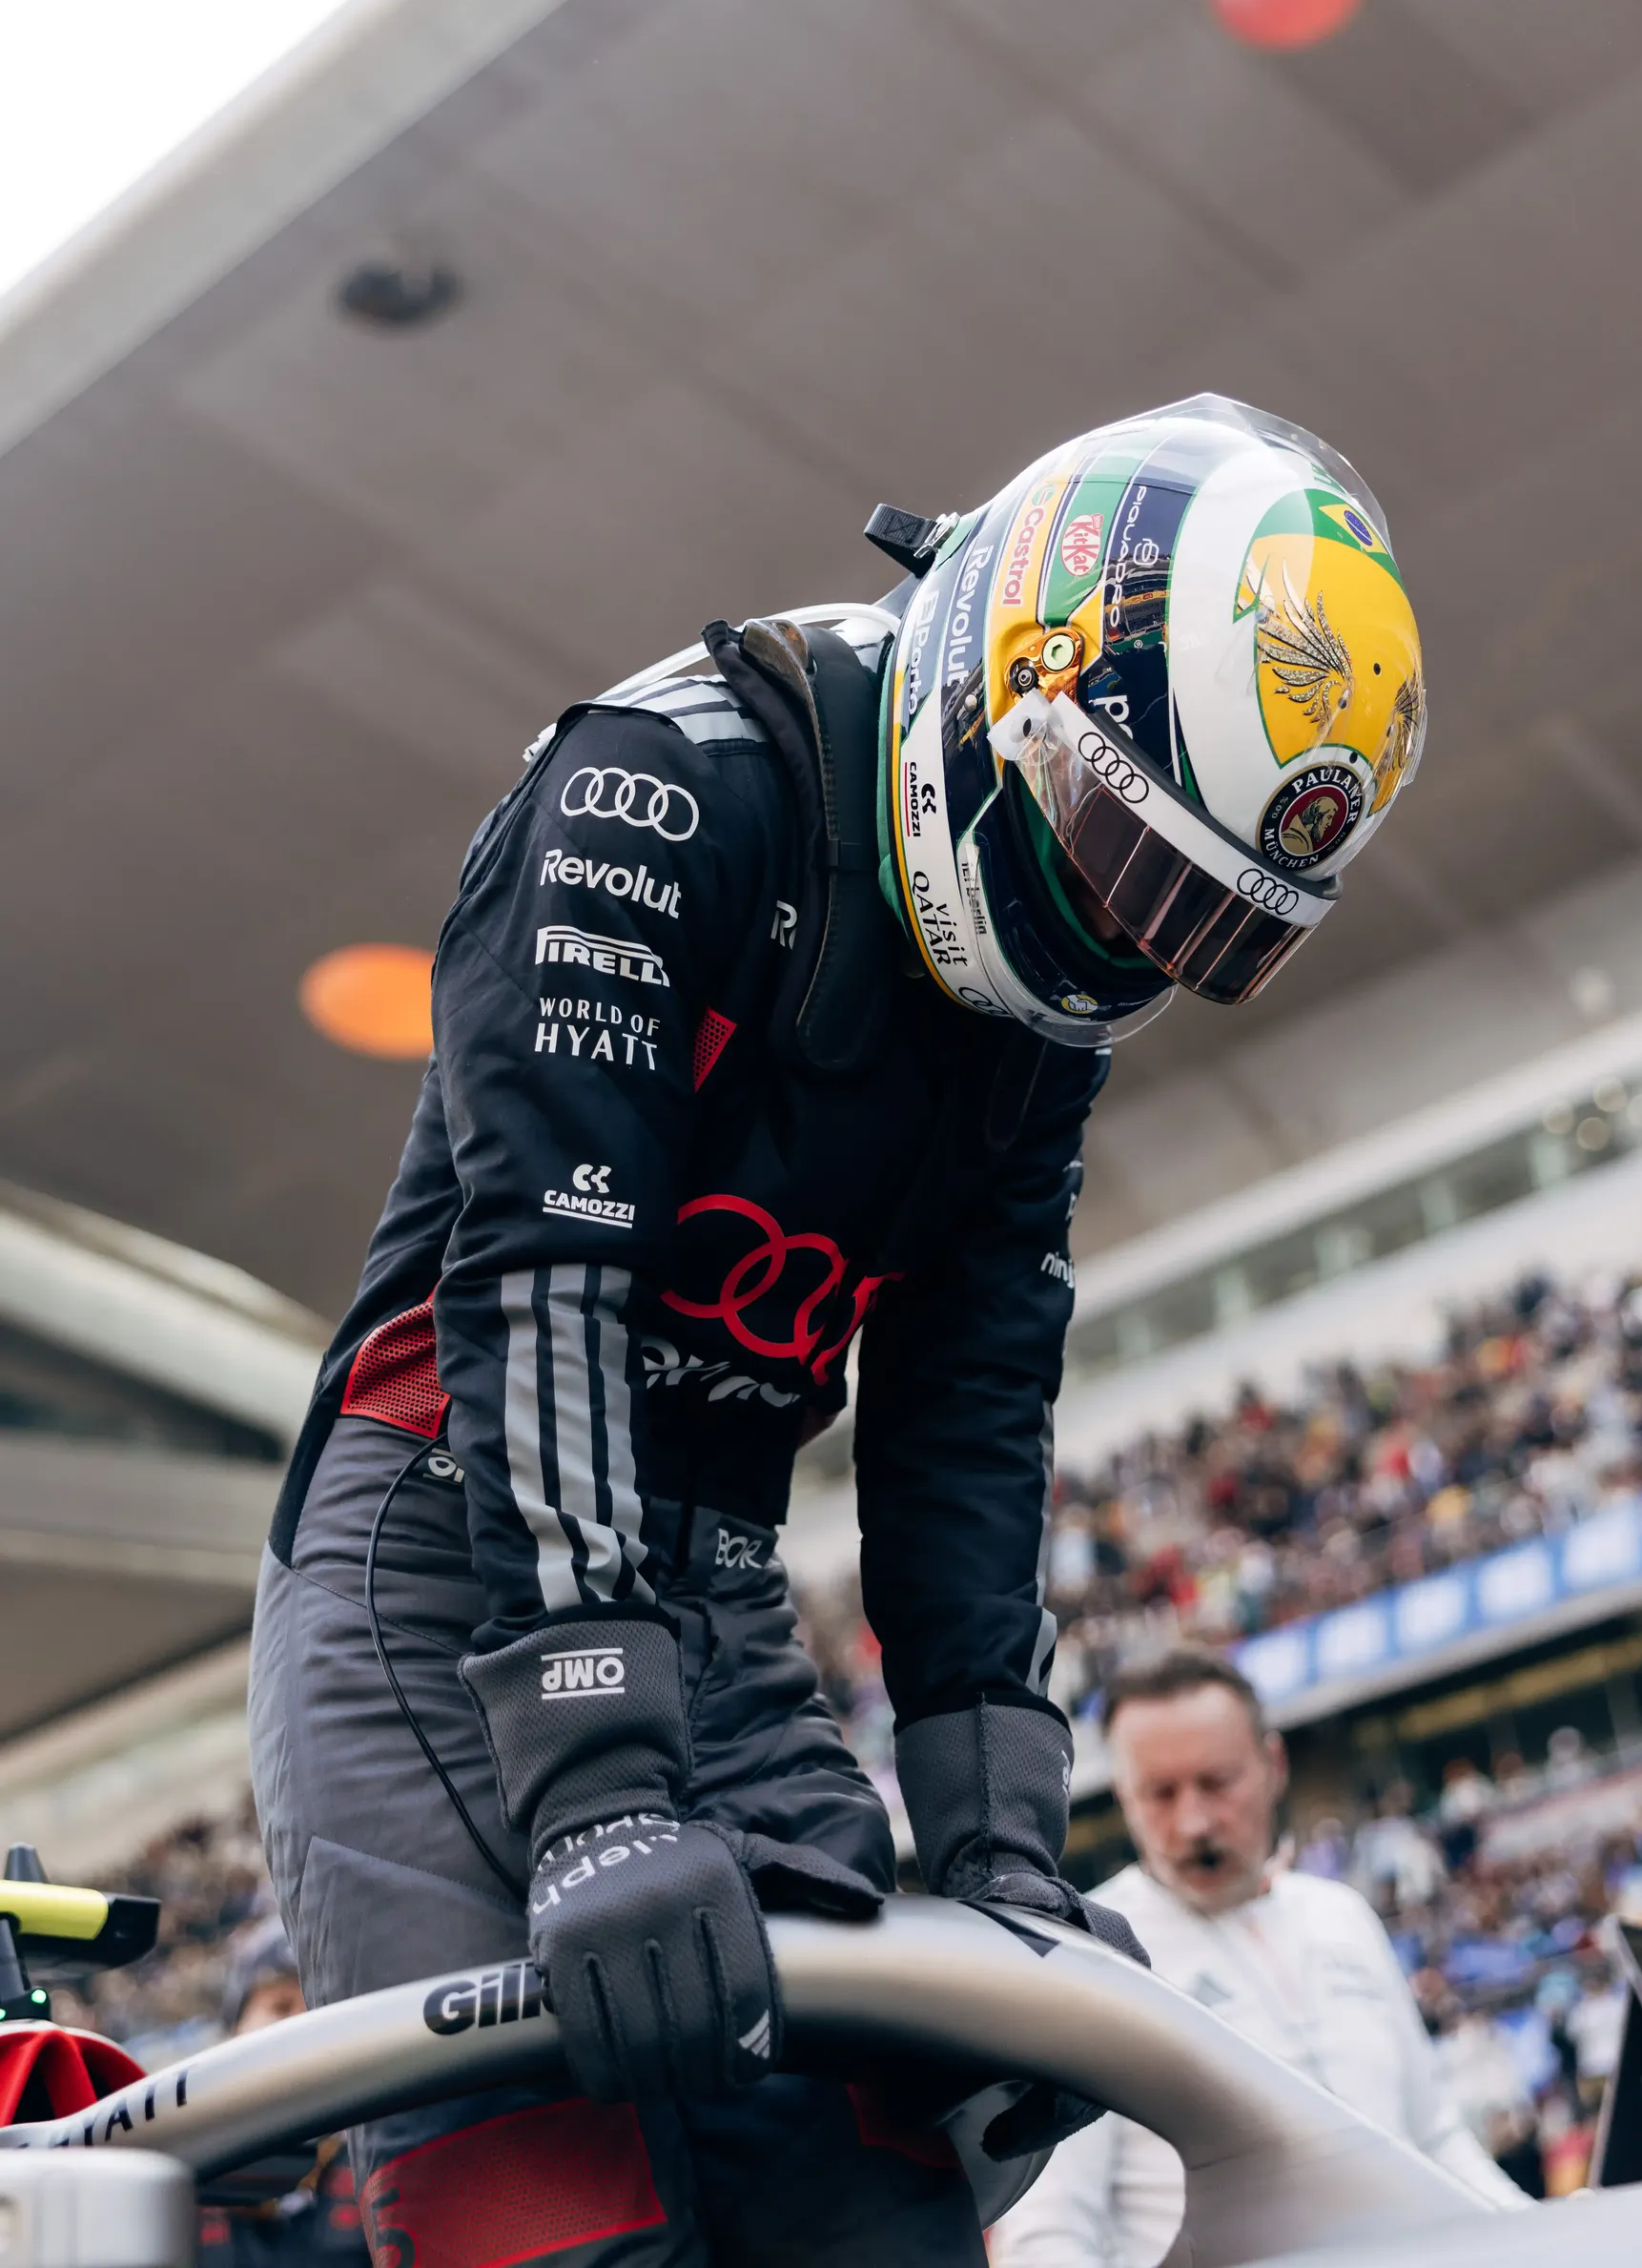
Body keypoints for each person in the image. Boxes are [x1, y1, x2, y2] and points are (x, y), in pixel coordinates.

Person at [249, 396, 1429, 2267]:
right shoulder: (657, 787)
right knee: (561, 2229)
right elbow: (543, 1270)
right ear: (1003, 679)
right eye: (1123, 854)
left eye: (1188, 911)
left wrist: (999, 1835)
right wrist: (595, 1776)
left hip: (710, 1587)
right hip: (437, 1548)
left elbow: (972, 1387)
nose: (1120, 937)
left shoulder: (1043, 1019)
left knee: (884, 2201)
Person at [993, 1650, 1525, 2265]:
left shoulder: (1342, 1915)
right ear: (1122, 1795)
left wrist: (1551, 2233)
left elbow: (1435, 2137)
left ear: (1273, 1764)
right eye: (1159, 1794)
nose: (1192, 1822)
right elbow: (1050, 2232)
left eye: (1216, 1783)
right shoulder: (1086, 1957)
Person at [198, 1922, 366, 2265]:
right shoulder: (186, 2165)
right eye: (281, 2005)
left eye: (319, 2008)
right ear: (235, 2029)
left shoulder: (376, 2155)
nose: (302, 2024)